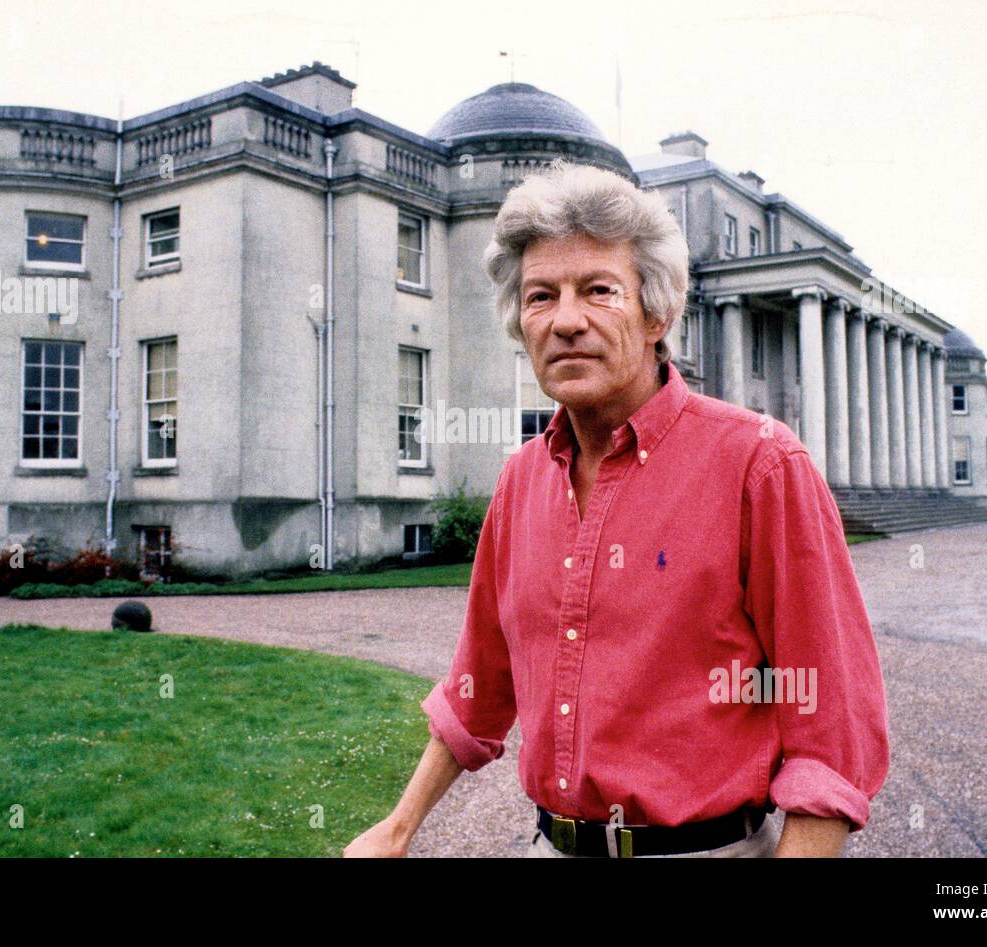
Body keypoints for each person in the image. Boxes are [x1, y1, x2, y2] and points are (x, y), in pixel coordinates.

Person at [344, 158, 889, 858]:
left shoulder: (759, 464)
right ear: (521, 324)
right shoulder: (520, 482)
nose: (566, 320)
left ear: (657, 312)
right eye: (541, 297)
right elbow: (478, 685)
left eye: (598, 290)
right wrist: (397, 828)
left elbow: (831, 728)